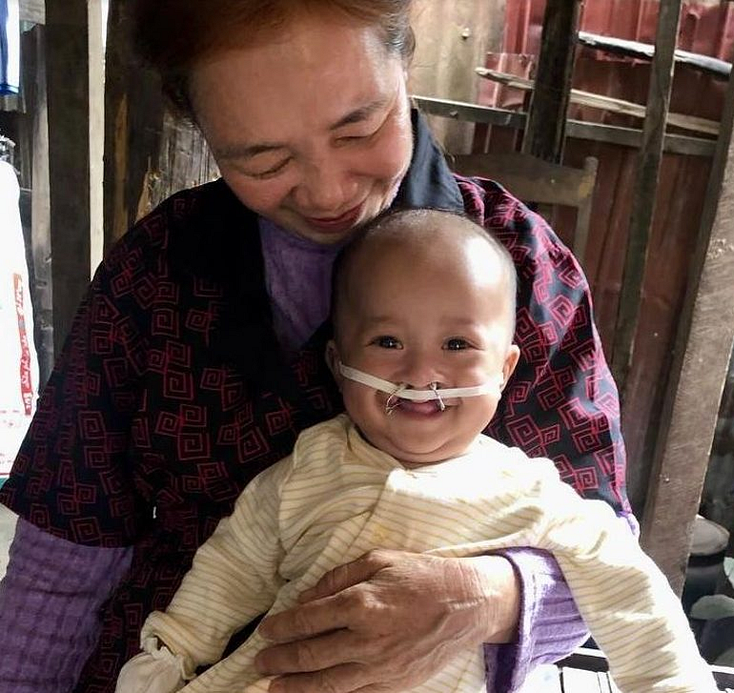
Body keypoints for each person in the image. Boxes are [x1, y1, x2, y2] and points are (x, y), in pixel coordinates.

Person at [0, 2, 631, 693]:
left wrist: (490, 595)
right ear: (198, 123)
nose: (329, 192)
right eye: (263, 159)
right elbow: (64, 558)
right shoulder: (156, 273)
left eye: (360, 129)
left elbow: (608, 555)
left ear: (404, 59)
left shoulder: (518, 265)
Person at [116, 210, 716, 693]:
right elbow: (235, 564)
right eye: (387, 341)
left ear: (504, 370)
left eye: (456, 344)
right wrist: (175, 648)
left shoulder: (533, 494)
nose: (422, 373)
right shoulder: (310, 465)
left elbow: (633, 597)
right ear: (338, 364)